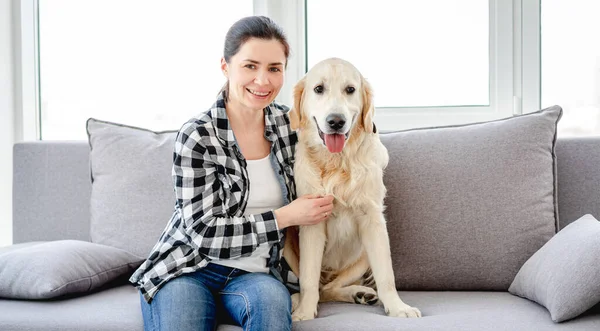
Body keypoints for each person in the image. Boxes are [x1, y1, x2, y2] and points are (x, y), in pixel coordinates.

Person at [129, 16, 334, 331]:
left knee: (271, 314)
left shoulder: (290, 125)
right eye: (250, 66)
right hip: (189, 268)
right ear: (226, 66)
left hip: (257, 275)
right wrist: (285, 217)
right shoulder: (198, 135)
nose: (263, 81)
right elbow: (204, 233)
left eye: (274, 68)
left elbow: (343, 138)